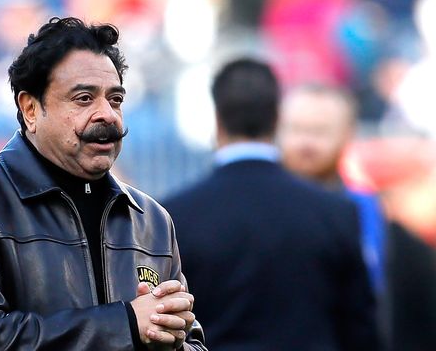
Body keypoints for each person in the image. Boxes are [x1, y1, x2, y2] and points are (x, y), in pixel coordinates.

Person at [0, 17, 206, 350]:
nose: (108, 114)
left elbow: (192, 342)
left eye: (115, 100)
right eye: (84, 99)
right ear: (30, 109)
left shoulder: (151, 220)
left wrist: (167, 341)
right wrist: (126, 324)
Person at [162, 58, 379, 350]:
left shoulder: (174, 216)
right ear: (276, 118)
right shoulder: (336, 212)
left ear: (217, 119)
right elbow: (360, 330)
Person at [279, 83, 436, 350]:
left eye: (319, 131)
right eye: (296, 129)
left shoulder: (377, 223)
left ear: (347, 135)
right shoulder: (259, 210)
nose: (306, 143)